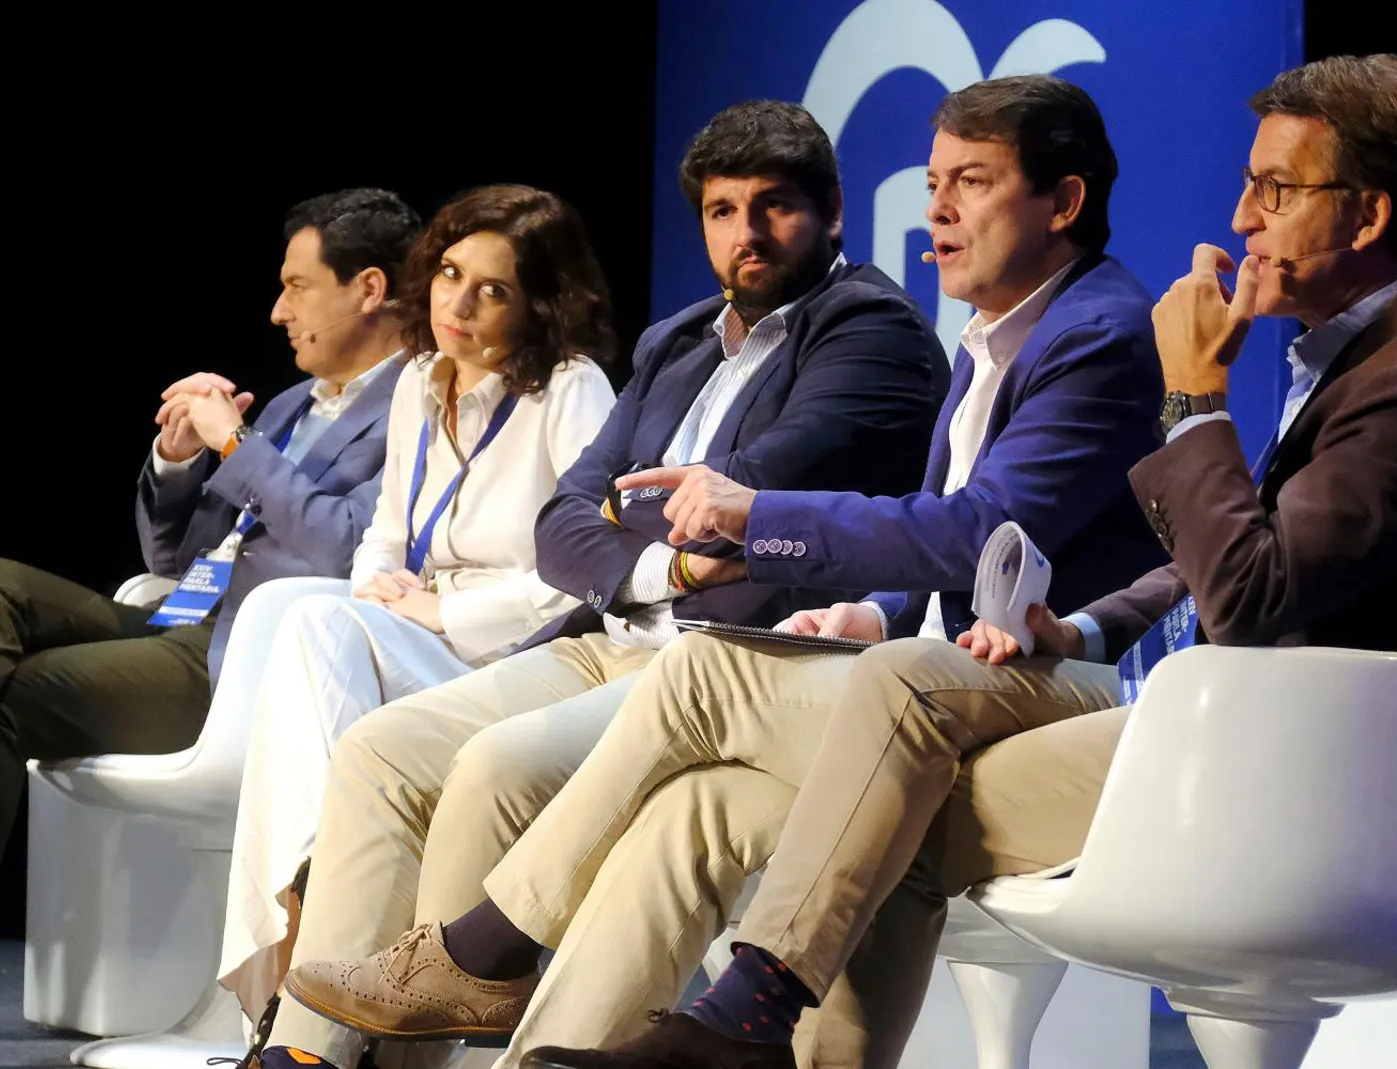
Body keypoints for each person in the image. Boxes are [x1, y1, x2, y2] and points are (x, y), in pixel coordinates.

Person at [518, 54, 1397, 1069]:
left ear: (1370, 215)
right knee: (724, 800)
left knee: (758, 690)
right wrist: (1078, 624)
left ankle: (520, 951)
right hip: (1191, 719)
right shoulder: (1349, 354)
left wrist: (1195, 399)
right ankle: (703, 1028)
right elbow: (1245, 549)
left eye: (1277, 189)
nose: (1243, 215)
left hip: (1306, 780)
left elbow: (1250, 596)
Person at [289, 75, 1182, 1069]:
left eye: (969, 181)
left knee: (692, 677)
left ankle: (486, 950)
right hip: (783, 652)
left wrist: (753, 518)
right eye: (933, 181)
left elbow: (972, 530)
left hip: (1040, 690)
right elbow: (579, 514)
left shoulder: (1061, 330)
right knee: (680, 807)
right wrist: (867, 615)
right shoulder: (967, 336)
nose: (936, 208)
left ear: (1060, 202)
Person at [0, 188, 421, 1068]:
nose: (277, 309)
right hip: (173, 618)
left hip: (250, 662)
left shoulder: (410, 405)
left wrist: (236, 446)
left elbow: (341, 544)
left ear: (368, 288)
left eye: (296, 286)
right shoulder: (293, 405)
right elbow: (175, 551)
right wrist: (176, 461)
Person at [219, 182, 625, 1019]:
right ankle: (309, 897)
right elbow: (385, 531)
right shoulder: (416, 380)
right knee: (323, 618)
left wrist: (444, 612)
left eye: (493, 288)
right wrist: (378, 588)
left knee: (320, 624)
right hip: (417, 627)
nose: (459, 302)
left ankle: (296, 937)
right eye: (448, 273)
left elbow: (587, 567)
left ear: (539, 300)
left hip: (519, 649)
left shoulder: (571, 387)